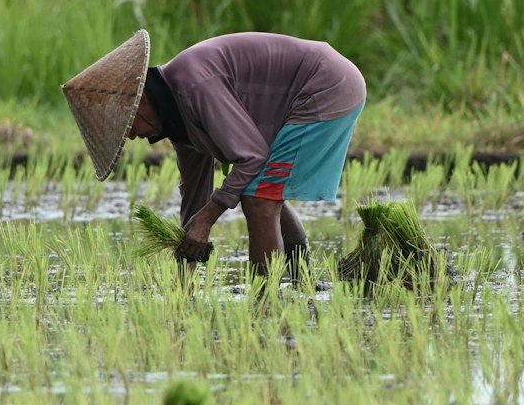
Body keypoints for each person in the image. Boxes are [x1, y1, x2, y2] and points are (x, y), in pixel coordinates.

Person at [61, 30, 367, 267]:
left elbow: (251, 157)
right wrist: (187, 266)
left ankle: (266, 303)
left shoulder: (193, 83)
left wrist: (208, 219)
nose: (129, 137)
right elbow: (195, 196)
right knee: (261, 190)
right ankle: (301, 281)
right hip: (317, 86)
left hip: (325, 85)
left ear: (138, 102)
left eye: (126, 127)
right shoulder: (177, 116)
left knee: (259, 198)